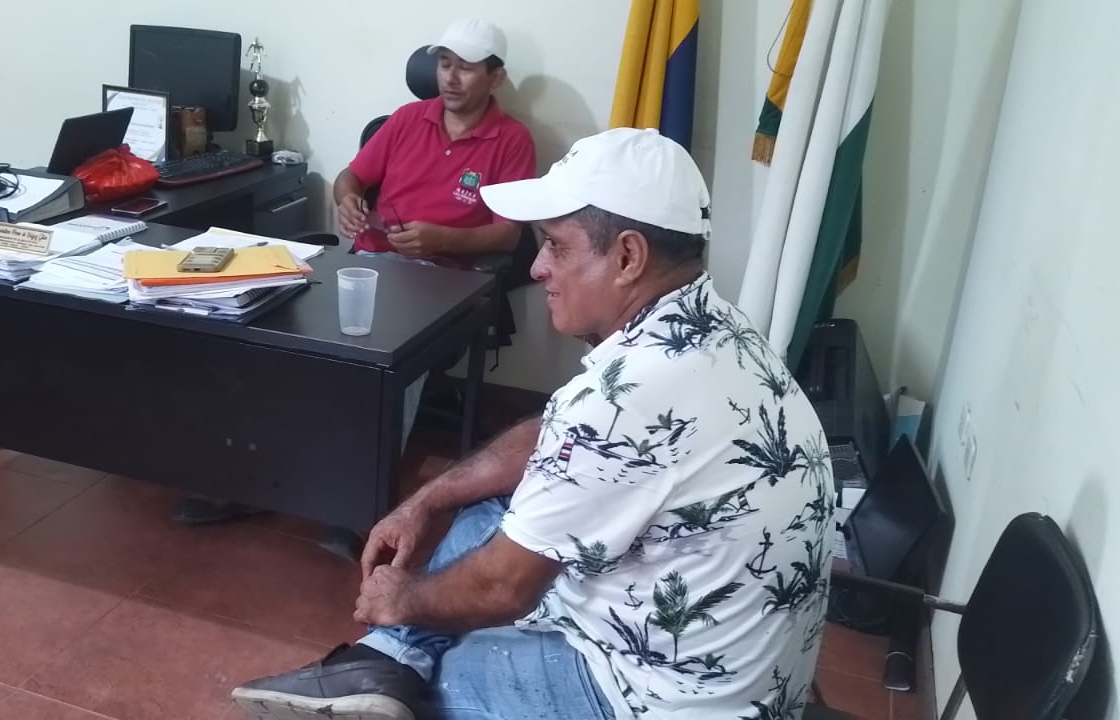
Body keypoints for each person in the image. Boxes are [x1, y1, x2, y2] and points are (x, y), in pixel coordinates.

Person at [230, 128, 836, 720]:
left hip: (652, 699)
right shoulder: (718, 327)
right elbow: (552, 439)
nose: (539, 267)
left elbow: (502, 588)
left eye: (557, 246)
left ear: (628, 257)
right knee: (485, 510)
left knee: (441, 671)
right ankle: (389, 663)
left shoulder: (624, 395)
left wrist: (402, 598)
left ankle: (392, 663)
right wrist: (426, 499)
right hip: (742, 675)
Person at [173, 18, 539, 540]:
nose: (450, 77)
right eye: (444, 64)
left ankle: (355, 506)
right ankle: (251, 483)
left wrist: (443, 239)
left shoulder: (511, 140)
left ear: (495, 78)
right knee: (280, 338)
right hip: (368, 265)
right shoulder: (408, 119)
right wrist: (347, 199)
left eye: (466, 68)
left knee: (388, 365)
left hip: (444, 283)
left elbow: (507, 235)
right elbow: (352, 177)